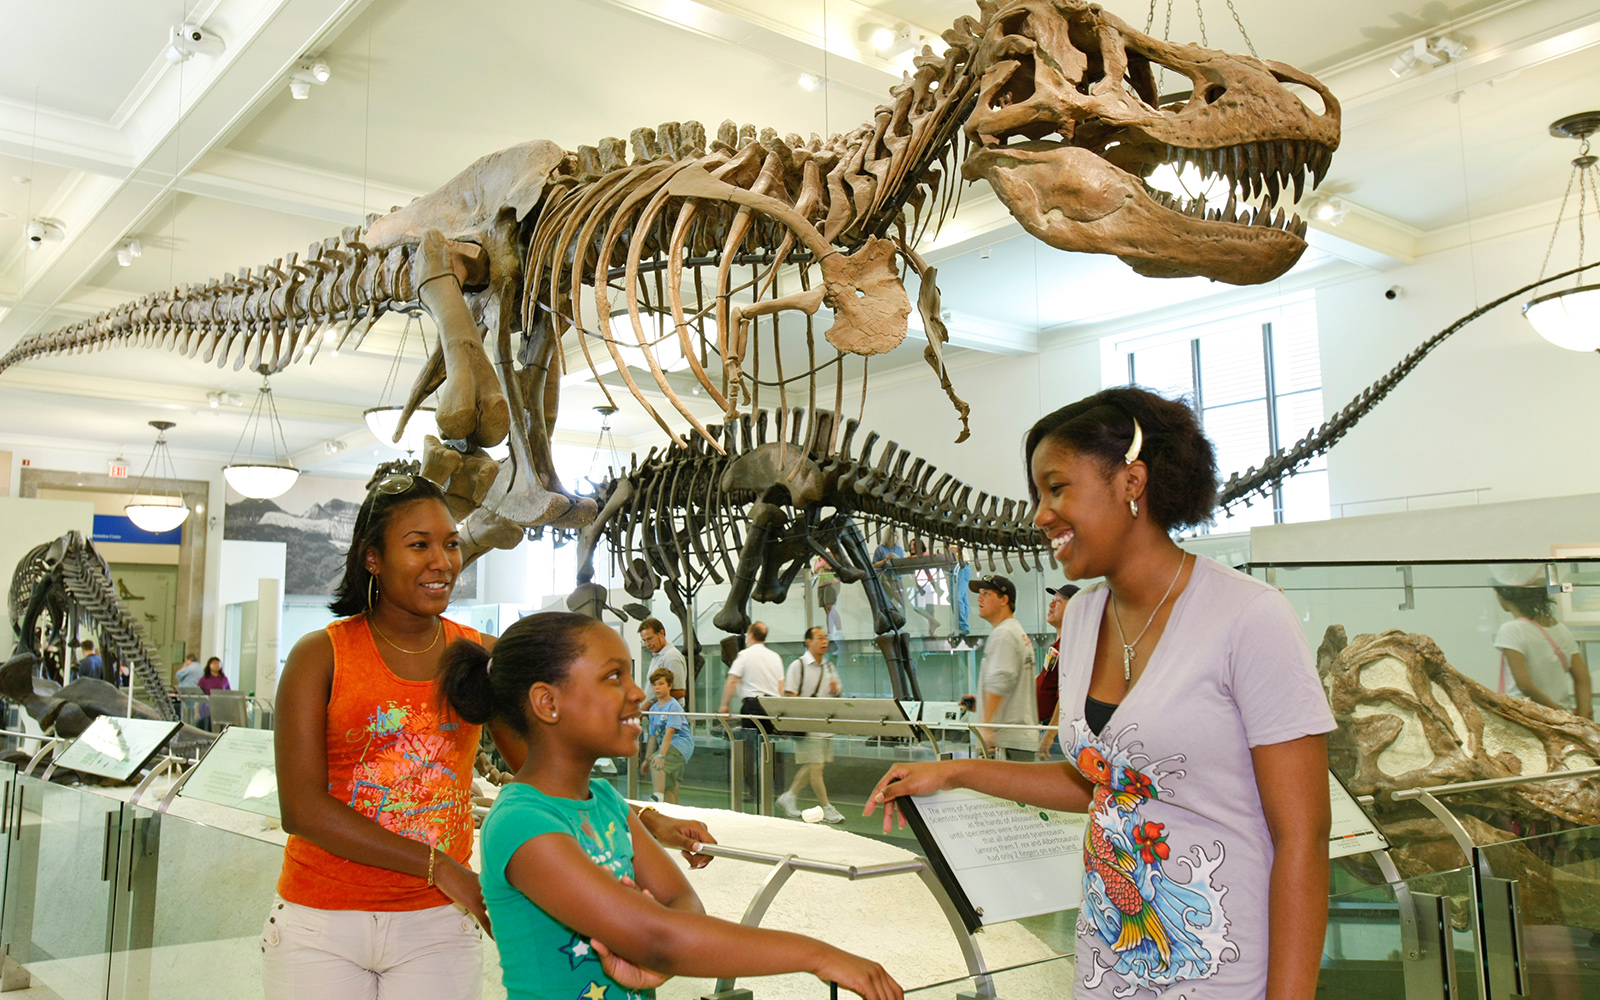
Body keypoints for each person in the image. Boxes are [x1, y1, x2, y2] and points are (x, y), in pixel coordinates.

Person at [868, 387, 1335, 1000]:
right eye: (1039, 494)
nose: (1039, 514)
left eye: (1056, 488)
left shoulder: (1250, 617)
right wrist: (953, 773)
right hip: (1109, 963)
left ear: (1131, 482)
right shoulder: (1084, 618)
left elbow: (1303, 835)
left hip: (1225, 969)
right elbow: (1098, 782)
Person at [265, 472, 714, 1000]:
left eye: (451, 544)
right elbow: (301, 809)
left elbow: (549, 779)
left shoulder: (482, 658)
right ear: (372, 559)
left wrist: (648, 821)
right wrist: (439, 867)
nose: (443, 561)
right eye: (419, 545)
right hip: (321, 919)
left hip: (434, 925)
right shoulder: (320, 655)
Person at [435, 612, 903, 1000]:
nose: (637, 693)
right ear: (547, 702)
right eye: (613, 677)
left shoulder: (606, 802)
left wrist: (655, 949)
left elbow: (681, 907)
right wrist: (819, 955)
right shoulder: (521, 824)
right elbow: (660, 935)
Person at [1492, 566, 1592, 719]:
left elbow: (1524, 684)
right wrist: (1580, 718)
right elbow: (1582, 678)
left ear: (1501, 595)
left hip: (1528, 716)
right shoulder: (1561, 630)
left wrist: (1555, 712)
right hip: (1561, 716)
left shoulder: (1511, 630)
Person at [777, 627, 845, 823]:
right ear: (808, 641)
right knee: (817, 767)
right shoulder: (798, 666)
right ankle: (826, 807)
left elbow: (838, 691)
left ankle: (789, 796)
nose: (825, 641)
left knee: (813, 766)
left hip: (825, 727)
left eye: (826, 638)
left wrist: (835, 690)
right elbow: (790, 694)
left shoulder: (829, 667)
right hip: (807, 726)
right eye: (820, 638)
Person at [966, 574, 1038, 760]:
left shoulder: (1003, 635)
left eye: (986, 593)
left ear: (1004, 600)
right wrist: (981, 702)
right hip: (1018, 741)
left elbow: (1000, 681)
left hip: (1005, 744)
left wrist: (986, 728)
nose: (979, 598)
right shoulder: (1016, 632)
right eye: (980, 593)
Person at [719, 621, 787, 799]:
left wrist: (724, 705)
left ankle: (754, 791)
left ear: (750, 636)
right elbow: (781, 686)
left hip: (752, 706)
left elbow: (732, 680)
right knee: (770, 748)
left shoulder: (744, 655)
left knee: (749, 750)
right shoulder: (775, 657)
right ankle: (777, 790)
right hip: (773, 707)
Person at [1037, 584, 1080, 758]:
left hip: (1058, 736)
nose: (1051, 604)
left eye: (1059, 601)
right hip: (1048, 730)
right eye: (1052, 600)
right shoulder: (1058, 646)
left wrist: (1050, 734)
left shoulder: (1073, 644)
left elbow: (1067, 693)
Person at [643, 667, 693, 804]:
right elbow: (653, 736)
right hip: (667, 745)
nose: (657, 688)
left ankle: (657, 798)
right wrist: (646, 759)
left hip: (680, 745)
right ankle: (672, 812)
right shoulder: (653, 709)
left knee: (657, 763)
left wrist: (660, 756)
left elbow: (670, 733)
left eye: (661, 684)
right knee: (670, 783)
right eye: (654, 685)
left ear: (670, 686)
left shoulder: (674, 706)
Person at [638, 618, 686, 691]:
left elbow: (679, 691)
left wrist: (651, 702)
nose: (647, 644)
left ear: (661, 633)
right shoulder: (657, 656)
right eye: (644, 641)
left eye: (650, 639)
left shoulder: (671, 656)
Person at [907, 538, 942, 636]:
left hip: (928, 584)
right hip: (921, 585)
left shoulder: (924, 555)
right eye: (911, 545)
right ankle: (933, 623)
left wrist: (913, 558)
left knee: (929, 608)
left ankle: (931, 632)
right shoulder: (913, 558)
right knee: (919, 607)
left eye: (914, 545)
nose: (911, 547)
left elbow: (926, 556)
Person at [871, 532, 906, 615]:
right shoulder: (880, 549)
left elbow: (902, 564)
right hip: (885, 579)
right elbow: (874, 565)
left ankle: (901, 618)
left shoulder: (899, 549)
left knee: (901, 602)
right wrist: (885, 560)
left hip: (897, 579)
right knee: (886, 602)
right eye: (892, 536)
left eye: (896, 536)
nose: (894, 538)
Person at [813, 557, 844, 640]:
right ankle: (830, 632)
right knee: (827, 610)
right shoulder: (817, 561)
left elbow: (839, 567)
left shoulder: (829, 556)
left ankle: (839, 631)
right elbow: (815, 575)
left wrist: (831, 567)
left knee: (830, 607)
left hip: (831, 582)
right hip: (821, 585)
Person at [947, 543, 972, 640]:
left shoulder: (956, 536)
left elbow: (957, 548)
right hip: (957, 568)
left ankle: (962, 626)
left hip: (961, 567)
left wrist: (947, 552)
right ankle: (961, 626)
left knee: (958, 597)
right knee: (960, 598)